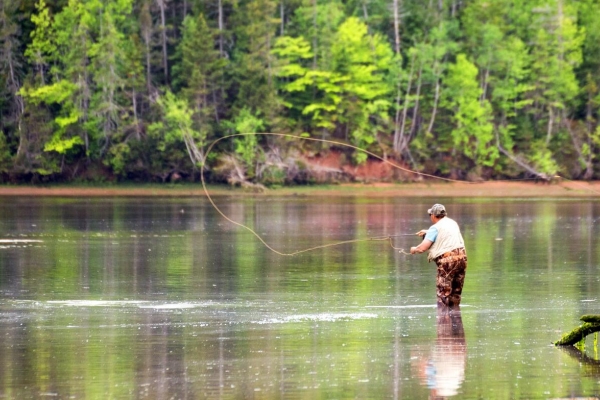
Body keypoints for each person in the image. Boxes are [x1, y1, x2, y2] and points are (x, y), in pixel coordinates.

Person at [410, 204, 467, 308]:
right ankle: (455, 320)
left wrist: (414, 249)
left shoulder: (434, 228)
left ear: (433, 215)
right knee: (455, 294)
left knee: (443, 295)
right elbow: (445, 232)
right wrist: (427, 232)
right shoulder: (452, 223)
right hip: (462, 259)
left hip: (447, 261)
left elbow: (422, 248)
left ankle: (444, 321)